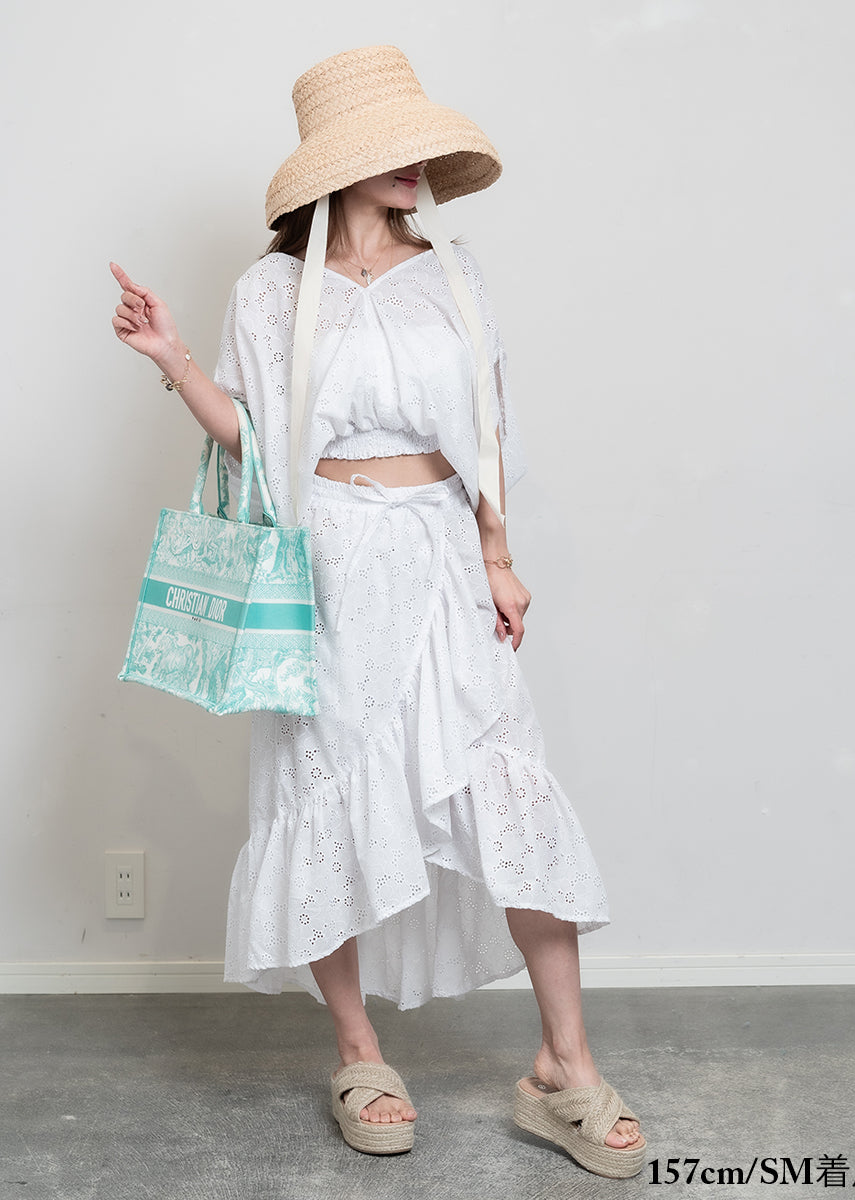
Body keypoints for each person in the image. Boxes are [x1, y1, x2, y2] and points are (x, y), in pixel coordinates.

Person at [111, 44, 646, 1179]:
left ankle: (565, 1066)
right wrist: (171, 357)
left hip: (444, 550)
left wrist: (498, 554)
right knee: (326, 792)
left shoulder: (455, 274)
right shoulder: (270, 292)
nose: (416, 167)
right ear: (336, 166)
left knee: (505, 787)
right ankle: (359, 1053)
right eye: (392, 149)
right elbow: (256, 441)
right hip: (329, 562)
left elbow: (491, 426)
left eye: (420, 148)